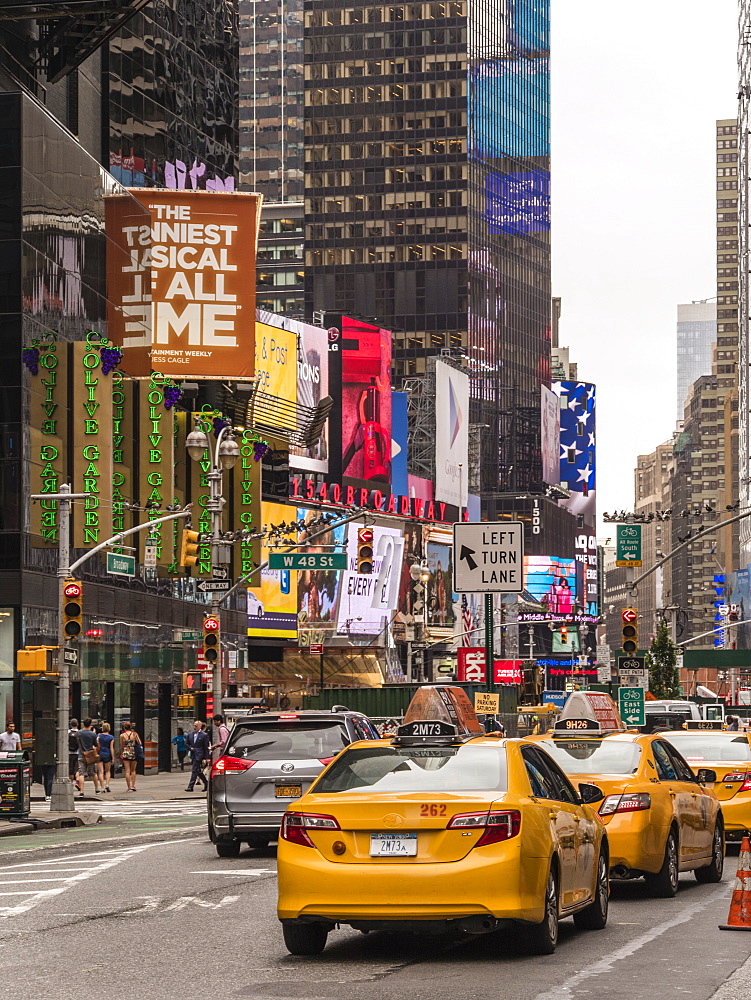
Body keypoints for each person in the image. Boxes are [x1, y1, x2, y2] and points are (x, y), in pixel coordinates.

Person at [76, 719, 101, 797]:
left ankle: (82, 791)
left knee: (81, 773)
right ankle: (97, 789)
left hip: (81, 754)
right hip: (90, 755)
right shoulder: (93, 734)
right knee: (93, 773)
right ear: (90, 724)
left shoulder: (79, 733)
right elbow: (96, 745)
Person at [185, 720, 211, 792]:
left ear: (200, 726)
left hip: (200, 755)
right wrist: (190, 748)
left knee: (194, 770)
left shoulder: (204, 735)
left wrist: (207, 757)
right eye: (194, 725)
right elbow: (186, 743)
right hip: (193, 754)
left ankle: (190, 786)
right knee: (198, 771)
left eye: (196, 726)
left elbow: (206, 747)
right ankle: (207, 783)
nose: (194, 727)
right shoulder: (190, 734)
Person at [119, 721, 142, 792]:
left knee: (127, 771)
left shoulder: (122, 735)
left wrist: (120, 753)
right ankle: (133, 785)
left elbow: (121, 745)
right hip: (133, 752)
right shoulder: (135, 734)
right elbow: (139, 742)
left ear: (124, 727)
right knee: (133, 770)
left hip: (126, 752)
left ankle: (128, 786)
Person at [96, 722, 115, 791]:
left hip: (100, 754)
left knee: (100, 772)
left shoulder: (99, 736)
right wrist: (113, 757)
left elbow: (98, 746)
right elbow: (111, 748)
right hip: (107, 754)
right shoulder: (111, 737)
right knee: (107, 771)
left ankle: (102, 787)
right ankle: (107, 784)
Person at [68, 718, 82, 792]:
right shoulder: (79, 733)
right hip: (77, 753)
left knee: (70, 770)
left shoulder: (68, 732)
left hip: (69, 753)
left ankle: (70, 784)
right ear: (77, 724)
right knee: (77, 769)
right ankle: (77, 782)